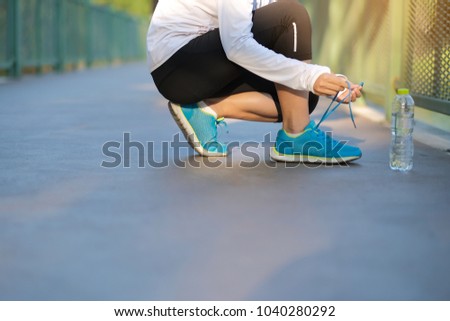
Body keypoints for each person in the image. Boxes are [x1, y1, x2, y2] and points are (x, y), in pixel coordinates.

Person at [147, 0, 363, 164]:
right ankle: (297, 136)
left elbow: (276, 42)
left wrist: (328, 83)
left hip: (201, 62)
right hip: (179, 65)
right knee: (292, 15)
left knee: (300, 103)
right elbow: (238, 45)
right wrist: (311, 76)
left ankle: (205, 109)